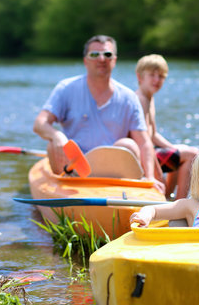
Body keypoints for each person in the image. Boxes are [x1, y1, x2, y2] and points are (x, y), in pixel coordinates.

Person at [33, 35, 165, 194]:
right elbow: (40, 123)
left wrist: (150, 176)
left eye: (107, 55)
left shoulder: (129, 97)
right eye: (94, 55)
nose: (102, 59)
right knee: (52, 144)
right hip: (74, 169)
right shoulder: (66, 88)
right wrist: (56, 136)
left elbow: (144, 143)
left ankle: (123, 197)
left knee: (129, 145)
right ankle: (65, 192)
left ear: (114, 60)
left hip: (113, 173)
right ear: (85, 61)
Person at [135, 54, 199, 200]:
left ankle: (168, 198)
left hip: (149, 151)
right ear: (140, 77)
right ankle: (180, 202)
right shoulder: (140, 100)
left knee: (180, 153)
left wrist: (173, 149)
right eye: (152, 75)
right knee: (192, 154)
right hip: (141, 156)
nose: (157, 80)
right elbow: (142, 139)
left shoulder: (149, 98)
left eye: (161, 76)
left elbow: (153, 134)